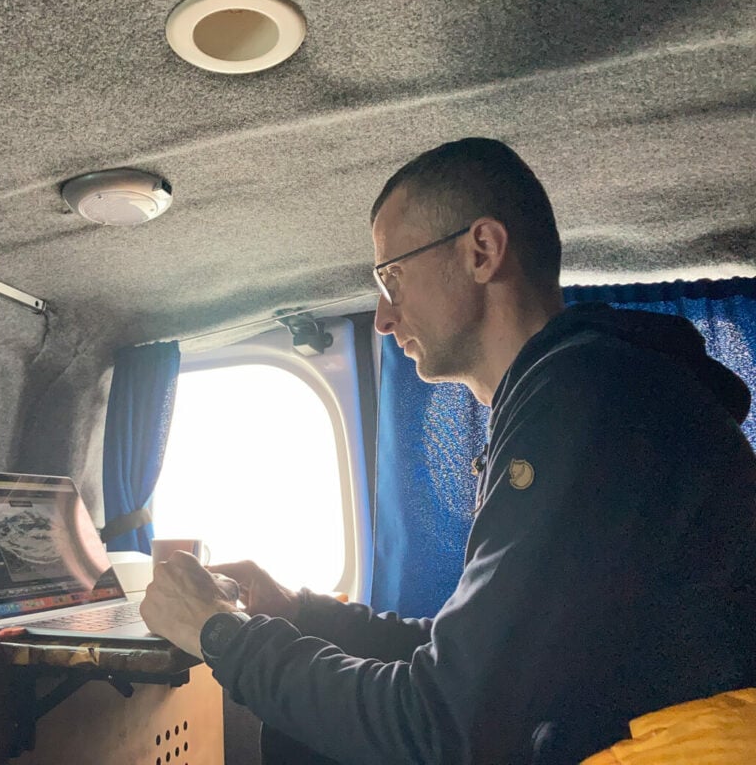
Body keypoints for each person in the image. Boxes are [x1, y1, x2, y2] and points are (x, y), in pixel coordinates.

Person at [139, 138, 756, 764]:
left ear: (482, 251)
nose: (382, 317)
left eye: (391, 278)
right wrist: (298, 610)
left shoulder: (585, 396)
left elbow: (444, 725)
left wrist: (220, 635)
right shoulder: (588, 389)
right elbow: (472, 658)